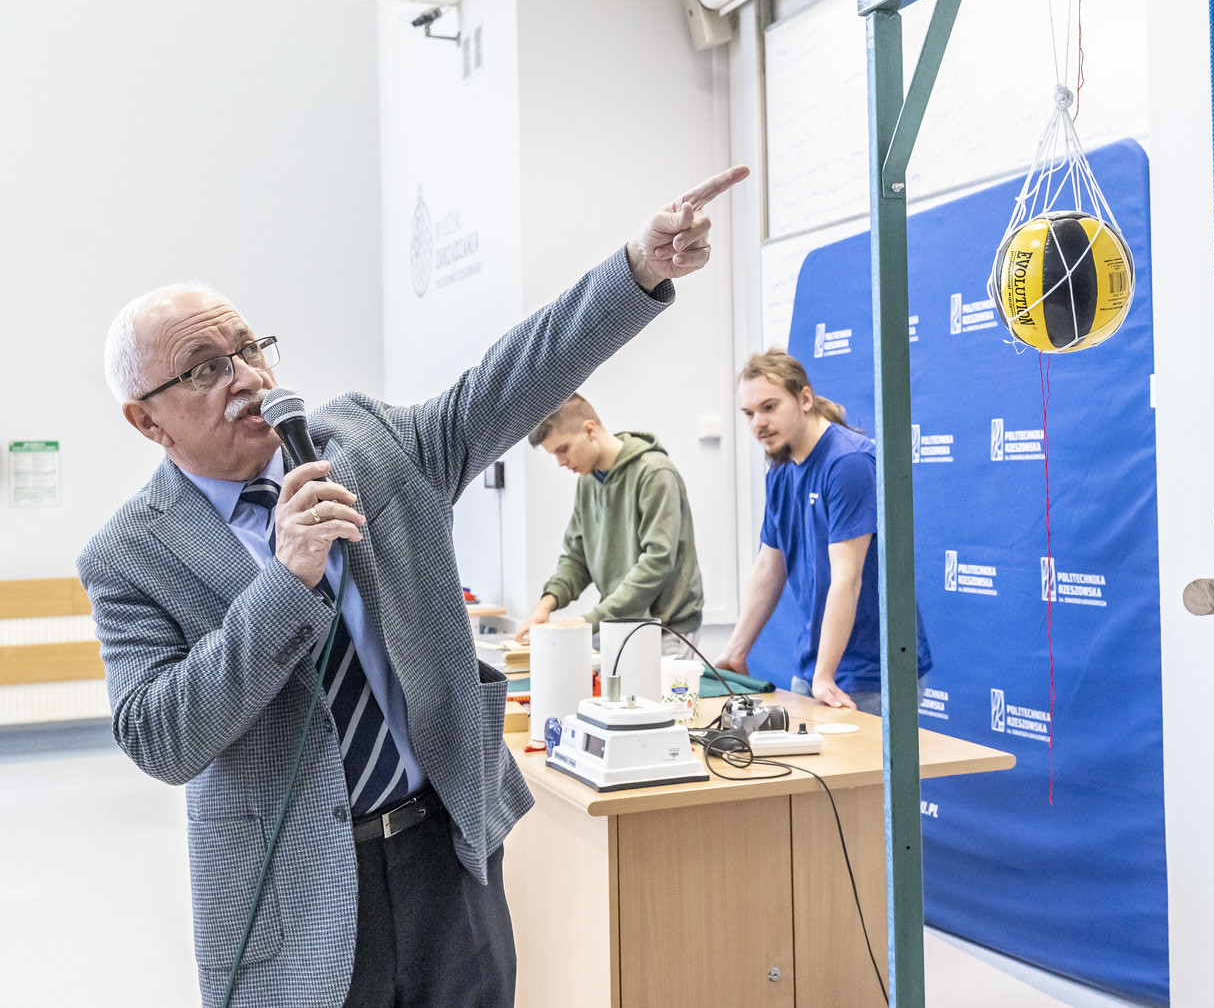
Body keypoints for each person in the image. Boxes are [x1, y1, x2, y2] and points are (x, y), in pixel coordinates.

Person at [76, 166, 747, 1008]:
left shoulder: (363, 444)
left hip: (447, 855)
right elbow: (161, 738)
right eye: (205, 368)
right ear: (146, 419)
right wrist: (286, 582)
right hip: (296, 896)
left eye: (250, 348)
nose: (247, 377)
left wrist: (637, 270)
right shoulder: (130, 556)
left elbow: (509, 380)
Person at [714, 349, 931, 711]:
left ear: (805, 399)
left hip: (873, 672)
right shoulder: (781, 469)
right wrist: (735, 651)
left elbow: (847, 578)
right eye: (749, 413)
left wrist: (825, 675)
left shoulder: (847, 462)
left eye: (769, 407)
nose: (758, 423)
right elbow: (769, 567)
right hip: (815, 669)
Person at [514, 395, 704, 656]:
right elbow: (576, 558)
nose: (560, 462)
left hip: (666, 630)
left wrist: (592, 619)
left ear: (590, 429)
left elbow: (657, 562)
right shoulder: (587, 482)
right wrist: (547, 603)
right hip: (619, 626)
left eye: (563, 449)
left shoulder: (655, 473)